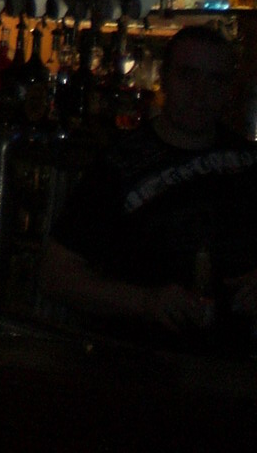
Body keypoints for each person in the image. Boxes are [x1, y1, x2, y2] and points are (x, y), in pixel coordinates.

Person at [41, 24, 257, 351]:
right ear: (164, 78)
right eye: (188, 75)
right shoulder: (118, 166)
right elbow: (56, 275)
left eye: (215, 80)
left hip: (229, 366)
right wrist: (145, 302)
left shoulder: (249, 164)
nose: (200, 93)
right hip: (138, 362)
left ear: (229, 90)